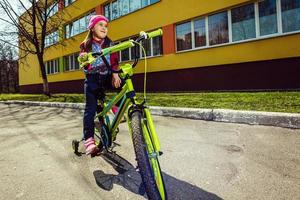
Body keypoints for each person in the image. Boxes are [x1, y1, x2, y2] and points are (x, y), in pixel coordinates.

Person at [78, 15, 121, 155]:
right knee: (90, 109)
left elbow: (114, 60)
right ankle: (89, 139)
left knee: (123, 80)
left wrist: (115, 73)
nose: (104, 28)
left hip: (107, 76)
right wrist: (83, 58)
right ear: (92, 28)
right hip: (92, 79)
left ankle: (117, 108)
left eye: (105, 25)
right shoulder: (86, 45)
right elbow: (83, 58)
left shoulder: (110, 43)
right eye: (100, 25)